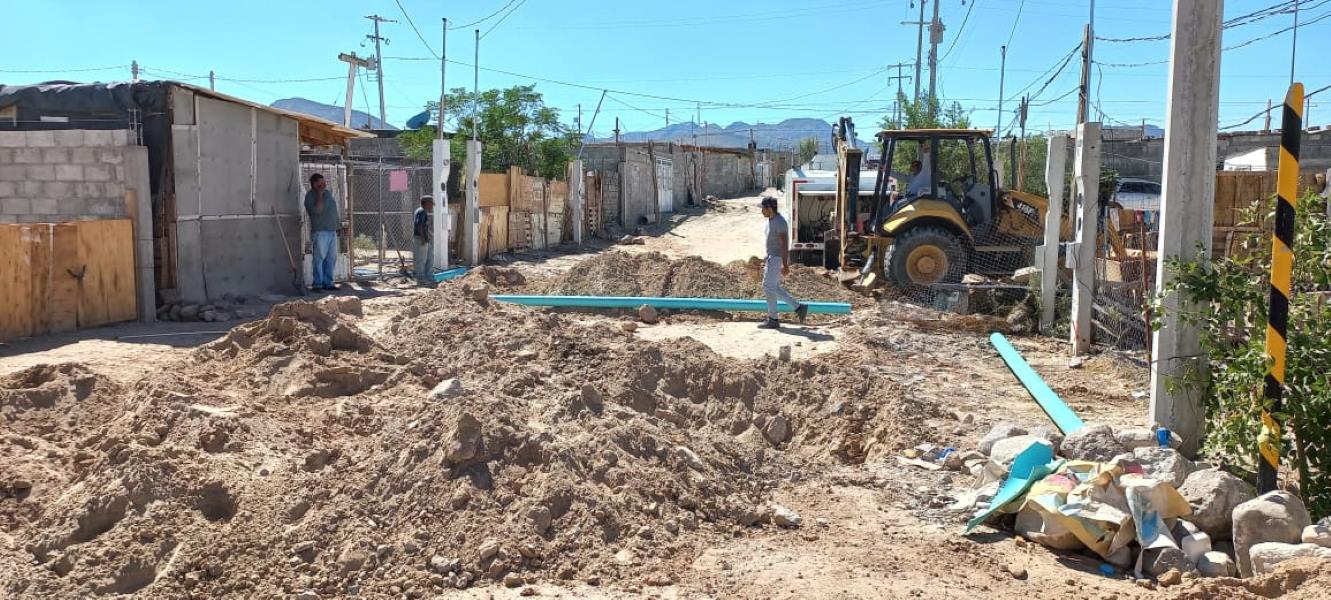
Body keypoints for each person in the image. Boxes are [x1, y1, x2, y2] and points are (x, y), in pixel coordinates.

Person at [758, 196, 808, 329]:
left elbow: (784, 244)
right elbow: (773, 242)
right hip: (771, 257)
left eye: (763, 208)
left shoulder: (780, 222)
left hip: (777, 258)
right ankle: (798, 307)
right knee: (772, 287)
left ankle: (773, 318)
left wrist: (785, 264)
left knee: (768, 287)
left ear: (769, 208)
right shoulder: (771, 221)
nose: (761, 211)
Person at [303, 173, 340, 291]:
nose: (324, 184)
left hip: (332, 230)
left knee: (331, 258)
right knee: (319, 258)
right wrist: (319, 194)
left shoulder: (327, 193)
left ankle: (328, 283)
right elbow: (318, 210)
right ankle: (317, 284)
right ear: (315, 184)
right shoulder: (310, 196)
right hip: (320, 231)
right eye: (321, 182)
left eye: (324, 182)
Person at [413, 195, 435, 284]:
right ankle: (420, 278)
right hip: (420, 238)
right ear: (426, 203)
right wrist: (422, 238)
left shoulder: (422, 211)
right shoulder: (421, 211)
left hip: (425, 239)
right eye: (431, 204)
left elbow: (423, 226)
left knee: (430, 257)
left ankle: (428, 276)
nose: (432, 206)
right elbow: (419, 225)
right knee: (421, 259)